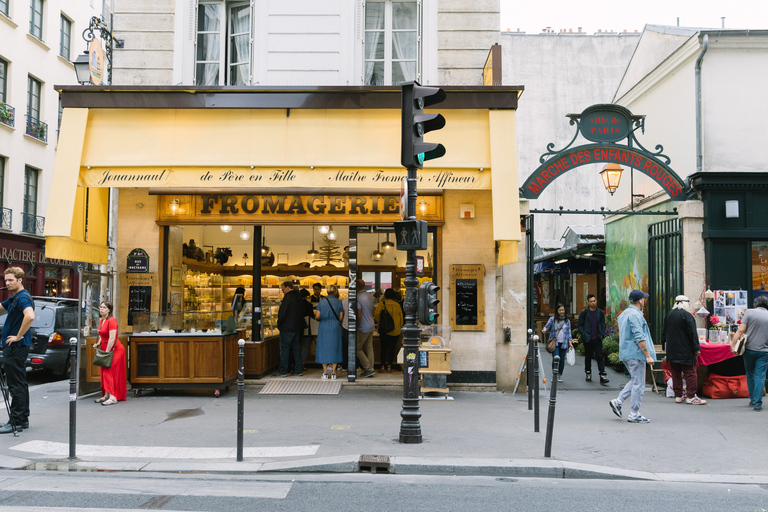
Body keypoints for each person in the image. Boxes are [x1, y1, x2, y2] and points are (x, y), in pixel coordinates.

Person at [610, 289, 656, 423]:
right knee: (638, 384)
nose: (644, 301)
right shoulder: (635, 315)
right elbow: (639, 336)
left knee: (636, 380)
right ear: (640, 300)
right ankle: (634, 413)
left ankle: (618, 401)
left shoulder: (624, 314)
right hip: (636, 354)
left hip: (626, 352)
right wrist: (648, 355)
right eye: (643, 299)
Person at [0, 267, 35, 433]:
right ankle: (23, 419)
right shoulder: (15, 298)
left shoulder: (22, 298)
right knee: (20, 383)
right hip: (16, 348)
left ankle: (16, 422)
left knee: (15, 385)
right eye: (5, 280)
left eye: (10, 280)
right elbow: (0, 308)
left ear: (20, 280)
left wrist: (18, 336)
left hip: (16, 347)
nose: (7, 283)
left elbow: (30, 316)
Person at [661, 295, 706, 405]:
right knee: (690, 373)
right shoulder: (687, 315)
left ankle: (678, 395)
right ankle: (691, 396)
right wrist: (696, 348)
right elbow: (692, 334)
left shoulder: (669, 315)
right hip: (685, 350)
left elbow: (664, 333)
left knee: (676, 373)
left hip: (672, 349)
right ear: (685, 303)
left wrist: (664, 347)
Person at [729, 295, 768, 411]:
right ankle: (757, 403)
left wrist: (733, 343)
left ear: (756, 304)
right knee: (760, 375)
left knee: (750, 373)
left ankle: (752, 399)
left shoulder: (750, 312)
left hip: (750, 349)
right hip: (764, 351)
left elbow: (741, 330)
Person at [92, 301, 127, 406]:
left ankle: (113, 397)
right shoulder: (102, 320)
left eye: (104, 307)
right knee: (104, 370)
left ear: (109, 310)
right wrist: (98, 343)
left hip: (115, 349)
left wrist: (106, 352)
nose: (101, 309)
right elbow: (103, 336)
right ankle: (106, 395)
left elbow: (112, 338)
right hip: (106, 348)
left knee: (109, 371)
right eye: (101, 307)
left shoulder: (112, 321)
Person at [577, 294, 609, 384]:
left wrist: (602, 333)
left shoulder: (600, 312)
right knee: (588, 356)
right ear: (588, 302)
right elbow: (579, 325)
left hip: (597, 338)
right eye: (591, 301)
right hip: (588, 338)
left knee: (599, 356)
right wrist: (583, 333)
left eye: (594, 301)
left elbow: (603, 324)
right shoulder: (584, 313)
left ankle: (602, 375)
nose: (593, 303)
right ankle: (588, 372)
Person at [315, 284, 344, 379]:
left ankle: (325, 372)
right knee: (335, 347)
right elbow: (341, 317)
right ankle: (334, 372)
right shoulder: (339, 302)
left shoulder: (322, 302)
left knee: (323, 347)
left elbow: (317, 316)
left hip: (324, 326)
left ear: (327, 292)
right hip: (335, 326)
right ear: (335, 292)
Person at [277, 281, 305, 377]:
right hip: (297, 327)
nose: (282, 290)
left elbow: (282, 312)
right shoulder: (298, 297)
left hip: (287, 327)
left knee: (284, 349)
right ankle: (298, 370)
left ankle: (283, 371)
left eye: (283, 288)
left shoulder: (288, 297)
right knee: (296, 349)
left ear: (288, 288)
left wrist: (279, 323)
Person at [541, 303, 575, 382]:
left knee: (562, 360)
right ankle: (554, 374)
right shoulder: (552, 319)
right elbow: (547, 326)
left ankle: (559, 374)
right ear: (557, 311)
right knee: (556, 358)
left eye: (562, 310)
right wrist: (544, 329)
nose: (561, 311)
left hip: (564, 343)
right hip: (555, 343)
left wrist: (570, 343)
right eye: (560, 310)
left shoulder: (567, 321)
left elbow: (569, 333)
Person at [374, 288, 404, 373]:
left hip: (384, 331)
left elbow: (376, 316)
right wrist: (398, 327)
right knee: (392, 349)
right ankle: (390, 366)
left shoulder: (382, 304)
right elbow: (401, 319)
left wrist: (381, 323)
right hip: (395, 331)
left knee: (383, 348)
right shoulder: (397, 305)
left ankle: (382, 366)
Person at [356, 278, 376, 378]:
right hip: (371, 324)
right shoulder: (369, 296)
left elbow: (359, 315)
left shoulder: (358, 297)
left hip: (363, 326)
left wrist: (357, 325)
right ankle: (371, 368)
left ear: (357, 286)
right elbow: (372, 311)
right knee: (369, 348)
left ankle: (368, 368)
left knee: (357, 348)